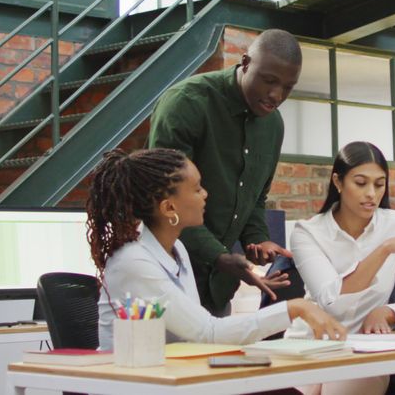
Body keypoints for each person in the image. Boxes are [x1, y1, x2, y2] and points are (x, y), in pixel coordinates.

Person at [87, 148, 345, 350]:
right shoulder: (135, 262)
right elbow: (207, 333)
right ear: (169, 208)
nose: (205, 194)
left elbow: (198, 338)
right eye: (197, 188)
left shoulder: (176, 249)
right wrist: (295, 308)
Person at [148, 29, 302, 315]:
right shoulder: (186, 104)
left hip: (218, 290)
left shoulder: (273, 126)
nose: (276, 95)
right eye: (269, 81)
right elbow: (165, 200)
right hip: (165, 281)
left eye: (288, 87)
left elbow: (254, 198)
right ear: (245, 63)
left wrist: (257, 238)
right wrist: (219, 256)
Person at [288, 141, 395, 395]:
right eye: (361, 183)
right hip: (306, 346)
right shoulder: (307, 232)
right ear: (338, 182)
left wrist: (389, 311)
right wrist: (384, 250)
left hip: (364, 349)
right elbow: (332, 301)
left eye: (379, 184)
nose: (371, 193)